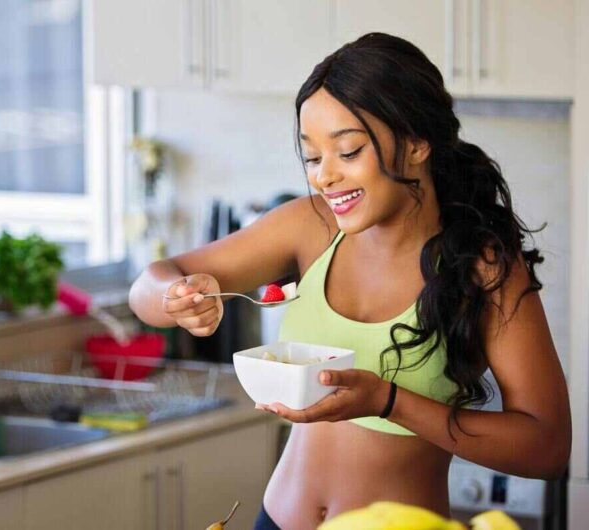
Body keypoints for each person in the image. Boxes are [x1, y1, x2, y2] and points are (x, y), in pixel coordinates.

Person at [128, 32, 571, 530]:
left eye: (348, 151)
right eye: (314, 158)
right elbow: (148, 285)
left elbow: (547, 448)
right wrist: (175, 298)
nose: (323, 177)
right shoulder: (309, 226)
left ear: (417, 143)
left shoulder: (482, 268)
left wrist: (388, 401)